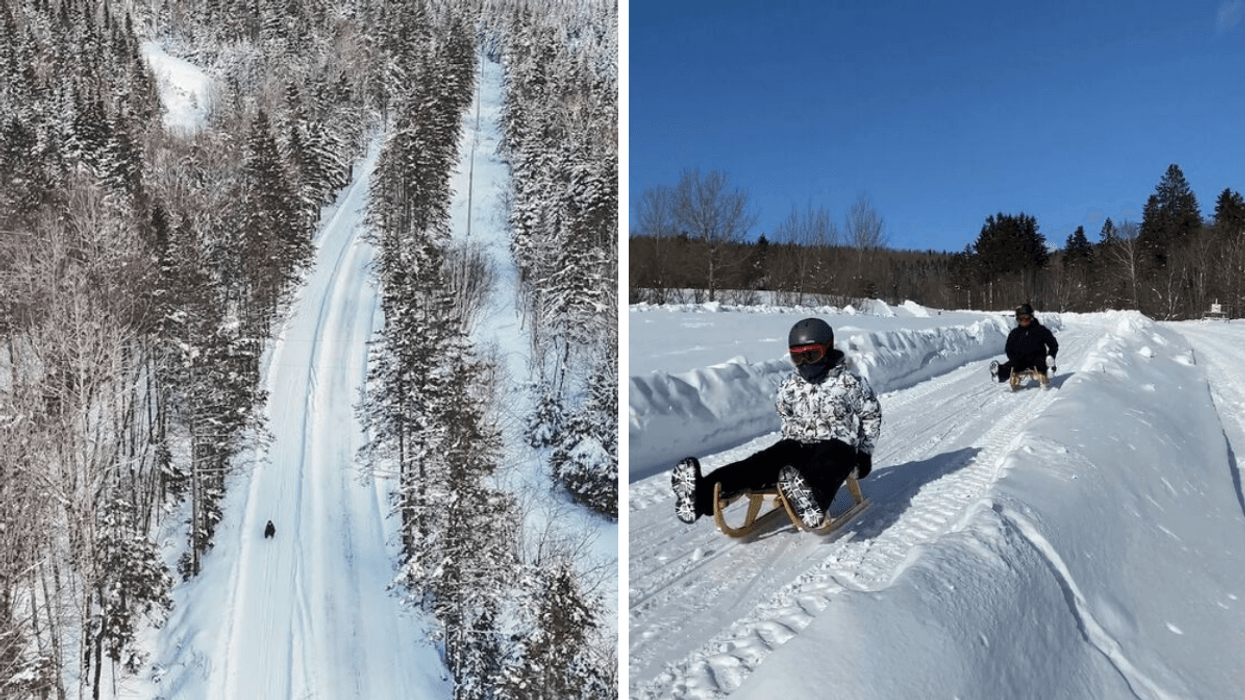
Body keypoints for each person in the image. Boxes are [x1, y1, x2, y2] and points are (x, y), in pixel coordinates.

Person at [671, 317, 883, 529]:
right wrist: (787, 447)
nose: (805, 362)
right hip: (796, 443)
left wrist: (864, 453)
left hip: (838, 444)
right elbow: (785, 414)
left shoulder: (849, 382)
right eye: (797, 357)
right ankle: (701, 494)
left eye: (811, 355)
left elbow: (871, 415)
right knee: (757, 464)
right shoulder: (790, 384)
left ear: (827, 350)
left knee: (827, 465)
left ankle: (812, 502)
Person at [991, 303, 1059, 386]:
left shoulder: (1040, 330)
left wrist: (1051, 355)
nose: (1024, 321)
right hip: (1021, 361)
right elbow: (1008, 349)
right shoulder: (1015, 333)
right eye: (1021, 319)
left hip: (1037, 359)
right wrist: (1013, 358)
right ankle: (998, 375)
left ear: (1031, 317)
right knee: (1011, 365)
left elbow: (1053, 344)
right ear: (1018, 319)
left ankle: (1049, 369)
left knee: (1042, 362)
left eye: (1026, 318)